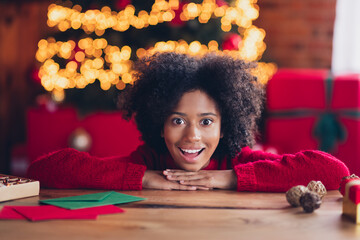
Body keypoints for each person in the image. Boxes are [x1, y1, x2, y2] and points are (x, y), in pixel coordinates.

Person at [27, 52, 350, 191]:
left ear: (226, 125)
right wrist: (145, 178)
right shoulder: (150, 161)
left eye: (207, 122)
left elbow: (334, 172)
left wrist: (232, 179)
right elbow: (43, 170)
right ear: (159, 124)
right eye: (178, 120)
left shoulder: (235, 161)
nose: (192, 136)